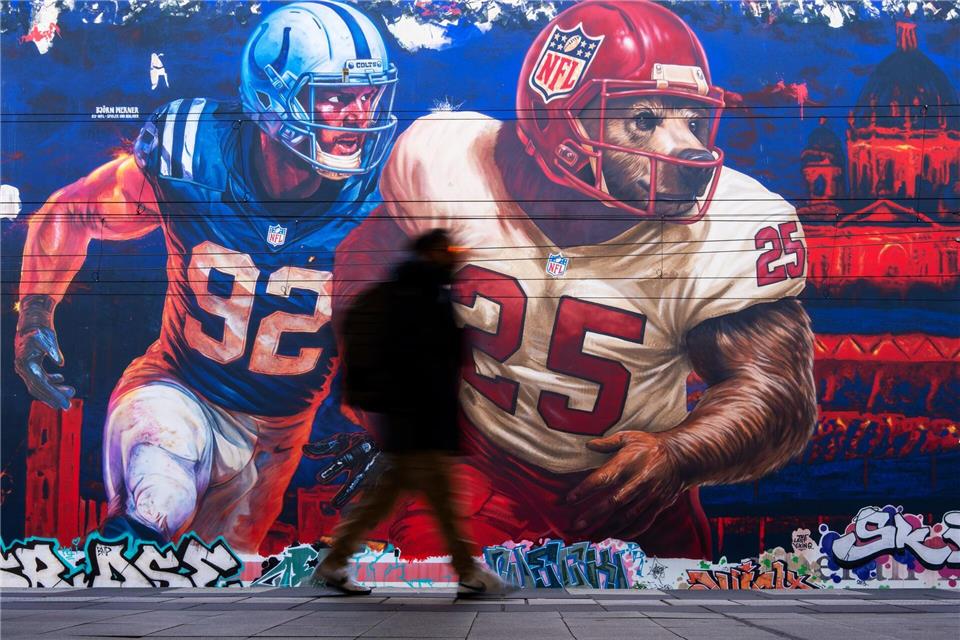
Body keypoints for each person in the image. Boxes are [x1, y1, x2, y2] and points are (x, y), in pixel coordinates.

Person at [331, 0, 816, 559]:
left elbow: (773, 391)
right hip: (484, 467)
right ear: (561, 117)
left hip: (635, 490)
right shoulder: (453, 163)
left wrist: (679, 454)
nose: (689, 148)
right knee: (440, 580)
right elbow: (367, 274)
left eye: (694, 120)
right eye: (645, 119)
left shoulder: (728, 227)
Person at [13, 1, 399, 553]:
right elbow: (73, 213)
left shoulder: (385, 202)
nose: (360, 117)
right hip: (177, 389)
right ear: (273, 95)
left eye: (369, 96)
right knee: (158, 503)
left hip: (277, 441)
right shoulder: (195, 154)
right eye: (336, 96)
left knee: (218, 580)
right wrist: (33, 317)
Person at [313, 230, 506, 596]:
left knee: (391, 497)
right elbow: (428, 365)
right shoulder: (417, 299)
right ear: (431, 253)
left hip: (412, 420)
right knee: (440, 500)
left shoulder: (419, 294)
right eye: (448, 251)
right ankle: (468, 571)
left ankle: (336, 560)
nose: (456, 258)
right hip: (418, 420)